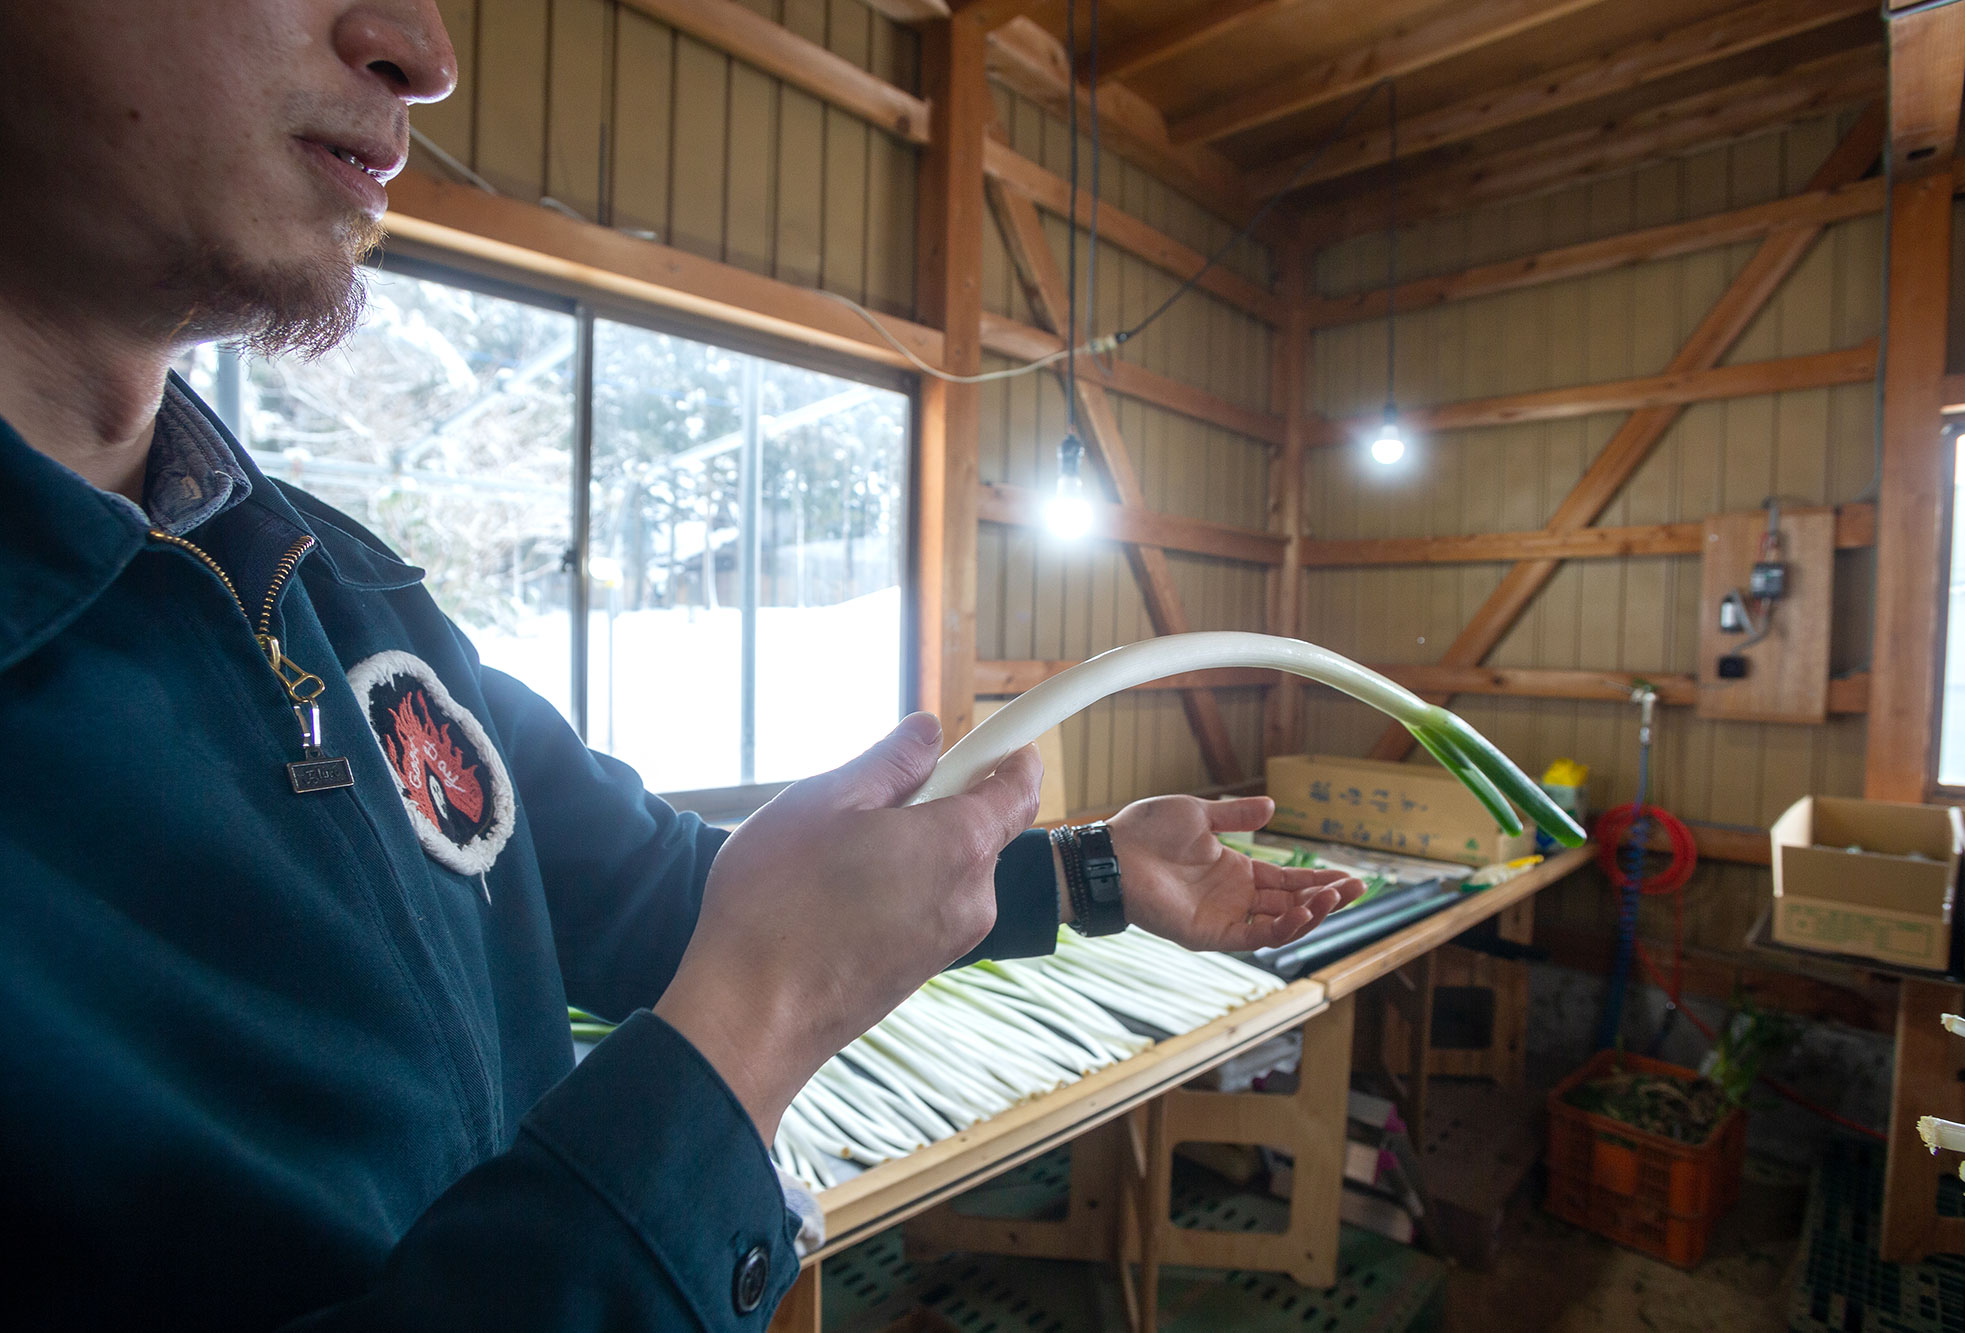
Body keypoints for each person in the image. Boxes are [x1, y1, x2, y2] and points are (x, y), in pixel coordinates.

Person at [0, 3, 1360, 1328]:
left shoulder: (336, 587)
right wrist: (741, 1038)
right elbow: (732, 962)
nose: (424, 52)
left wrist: (1092, 871)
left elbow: (672, 894)